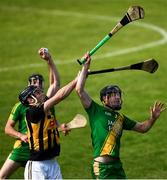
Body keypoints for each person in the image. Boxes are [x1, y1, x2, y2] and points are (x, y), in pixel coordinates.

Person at [75, 52, 165, 179]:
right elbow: (79, 90)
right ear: (104, 99)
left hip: (117, 168)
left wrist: (153, 118)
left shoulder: (121, 118)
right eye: (113, 95)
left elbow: (143, 128)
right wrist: (85, 67)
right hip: (102, 169)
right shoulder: (95, 110)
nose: (117, 97)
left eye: (118, 94)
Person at [0, 47, 61, 179]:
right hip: (23, 148)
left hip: (41, 149)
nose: (37, 84)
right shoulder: (20, 106)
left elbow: (55, 83)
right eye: (34, 82)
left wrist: (49, 60)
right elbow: (7, 128)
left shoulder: (46, 100)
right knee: (2, 176)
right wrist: (21, 136)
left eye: (39, 82)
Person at [18, 70, 78, 179]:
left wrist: (82, 74)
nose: (41, 92)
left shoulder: (44, 108)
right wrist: (76, 80)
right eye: (37, 92)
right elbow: (59, 96)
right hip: (37, 166)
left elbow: (56, 85)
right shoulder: (32, 112)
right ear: (30, 100)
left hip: (53, 163)